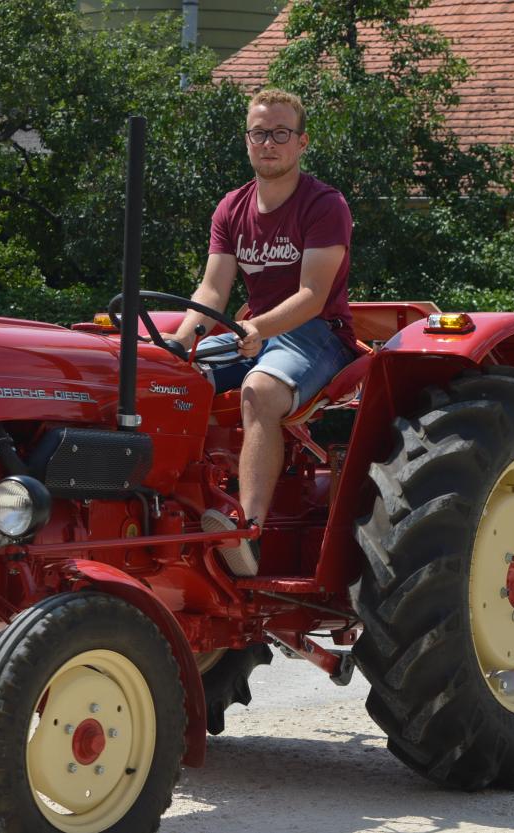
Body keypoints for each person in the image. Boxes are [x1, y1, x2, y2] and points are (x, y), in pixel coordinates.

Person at [168, 88, 357, 576]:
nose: (268, 143)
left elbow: (313, 295)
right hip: (255, 331)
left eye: (280, 134)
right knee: (171, 381)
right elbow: (211, 291)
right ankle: (168, 511)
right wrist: (180, 344)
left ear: (301, 143)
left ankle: (246, 532)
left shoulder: (324, 205)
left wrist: (255, 326)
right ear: (246, 141)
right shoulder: (231, 208)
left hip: (316, 336)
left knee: (259, 391)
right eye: (259, 133)